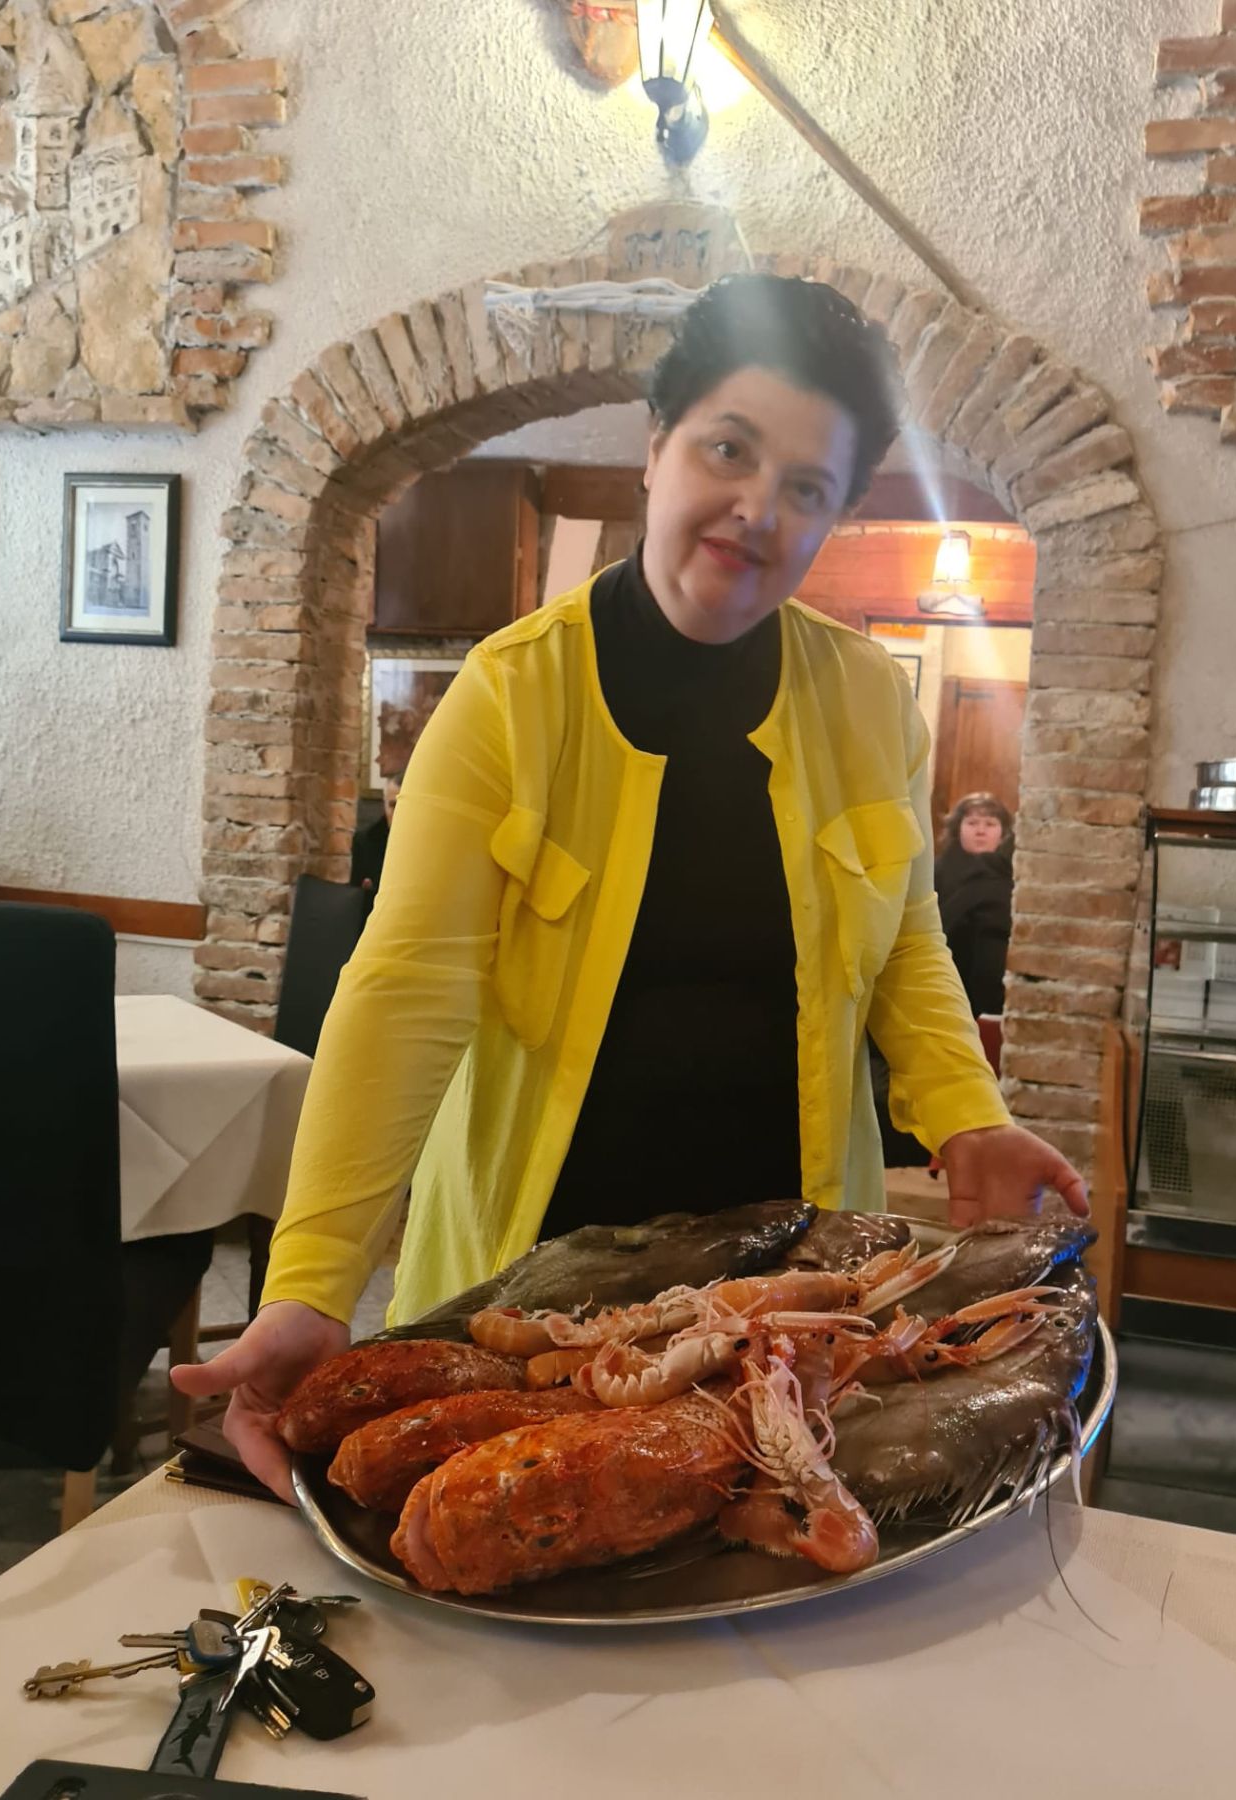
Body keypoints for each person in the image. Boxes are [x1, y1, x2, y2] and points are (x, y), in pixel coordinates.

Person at [173, 275, 1088, 1499]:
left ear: (836, 516)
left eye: (806, 488)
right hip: (530, 1300)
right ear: (656, 447)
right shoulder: (510, 698)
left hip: (786, 1305)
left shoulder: (871, 703)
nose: (755, 508)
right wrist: (311, 1281)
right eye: (728, 449)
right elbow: (402, 997)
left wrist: (967, 1113)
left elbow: (907, 944)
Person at [934, 793, 1016, 1019]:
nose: (981, 831)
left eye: (990, 824)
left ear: (1003, 833)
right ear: (958, 828)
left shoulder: (1013, 877)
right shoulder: (936, 872)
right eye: (972, 823)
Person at [348, 767, 404, 896]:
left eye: (403, 806)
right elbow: (354, 895)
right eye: (392, 805)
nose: (398, 813)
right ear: (384, 805)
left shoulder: (430, 843)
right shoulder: (365, 841)